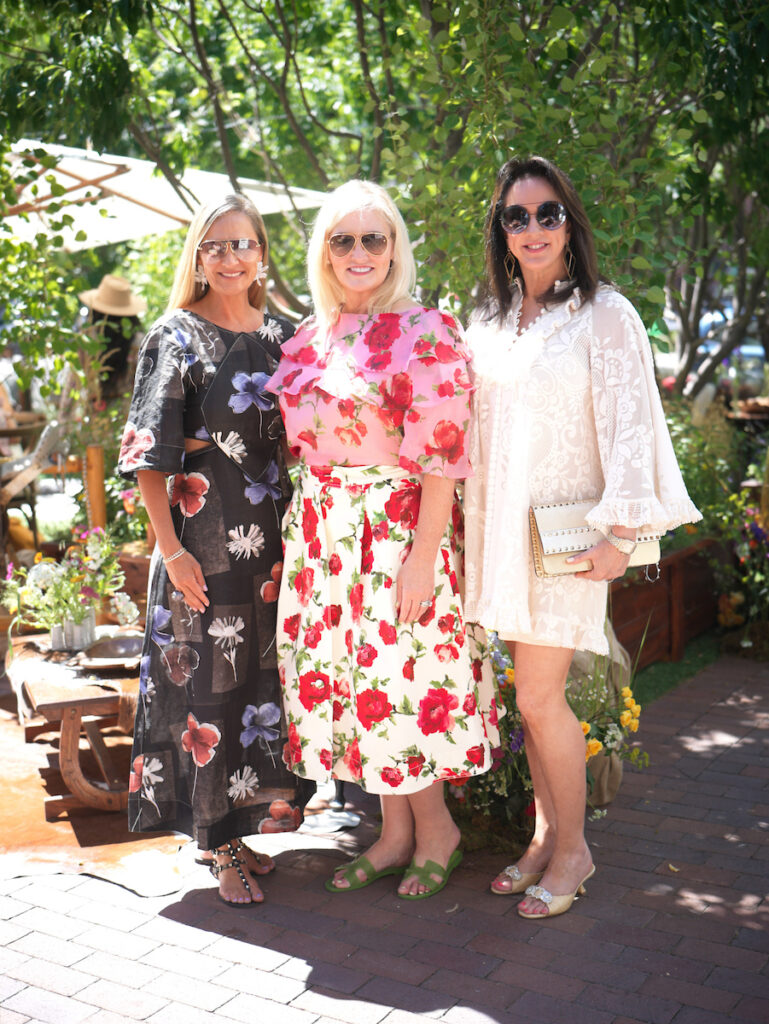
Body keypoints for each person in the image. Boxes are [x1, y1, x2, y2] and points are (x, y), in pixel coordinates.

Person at [463, 156, 701, 919]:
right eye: (516, 216)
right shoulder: (489, 322)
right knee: (528, 700)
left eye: (547, 213)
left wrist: (623, 531)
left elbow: (633, 423)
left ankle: (572, 850)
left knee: (538, 695)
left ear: (570, 222)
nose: (532, 229)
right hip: (500, 538)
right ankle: (541, 835)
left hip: (567, 539)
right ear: (499, 231)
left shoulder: (605, 313)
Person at [266, 180, 500, 899]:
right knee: (362, 688)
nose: (359, 252)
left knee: (401, 680)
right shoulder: (310, 335)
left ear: (395, 247)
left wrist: (423, 558)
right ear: (324, 250)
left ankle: (438, 833)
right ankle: (393, 834)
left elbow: (441, 457)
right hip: (326, 542)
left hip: (394, 536)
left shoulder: (425, 330)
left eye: (374, 238)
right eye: (343, 239)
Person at [117, 193, 312, 908]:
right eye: (215, 246)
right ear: (198, 257)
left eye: (242, 244)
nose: (230, 258)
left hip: (278, 548)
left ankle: (244, 826)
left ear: (263, 253)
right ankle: (219, 846)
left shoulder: (289, 337)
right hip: (202, 546)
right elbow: (146, 458)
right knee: (207, 692)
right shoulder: (175, 338)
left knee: (260, 686)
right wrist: (171, 553)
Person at [78, 274, 146, 399]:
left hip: (91, 409)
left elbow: (74, 381)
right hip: (128, 413)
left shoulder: (86, 340)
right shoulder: (140, 342)